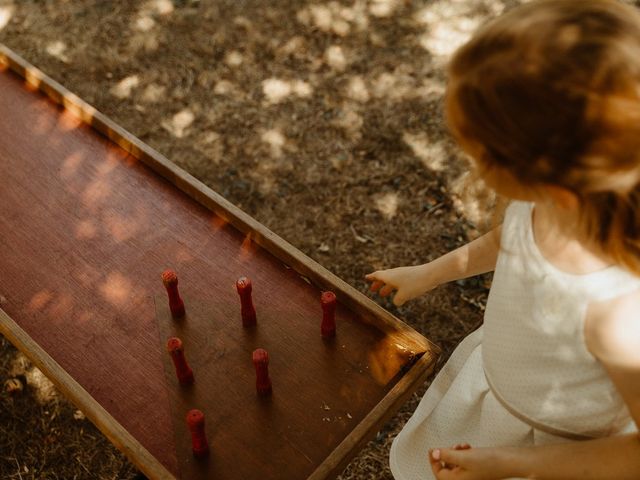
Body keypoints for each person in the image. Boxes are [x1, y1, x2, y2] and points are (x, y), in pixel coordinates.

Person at [365, 1, 640, 478]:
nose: (473, 164)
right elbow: (508, 242)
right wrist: (428, 274)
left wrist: (507, 462)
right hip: (500, 395)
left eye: (482, 155)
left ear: (554, 181)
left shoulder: (617, 314)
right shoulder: (548, 206)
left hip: (553, 451)